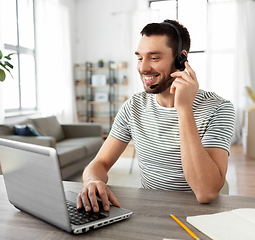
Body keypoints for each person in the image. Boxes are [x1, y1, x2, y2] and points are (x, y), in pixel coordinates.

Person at [77, 19, 235, 212]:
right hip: (149, 210)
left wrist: (184, 109)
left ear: (181, 59)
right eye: (140, 57)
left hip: (199, 214)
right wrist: (92, 180)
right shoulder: (133, 107)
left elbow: (206, 192)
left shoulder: (219, 108)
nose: (143, 68)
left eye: (154, 58)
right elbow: (100, 163)